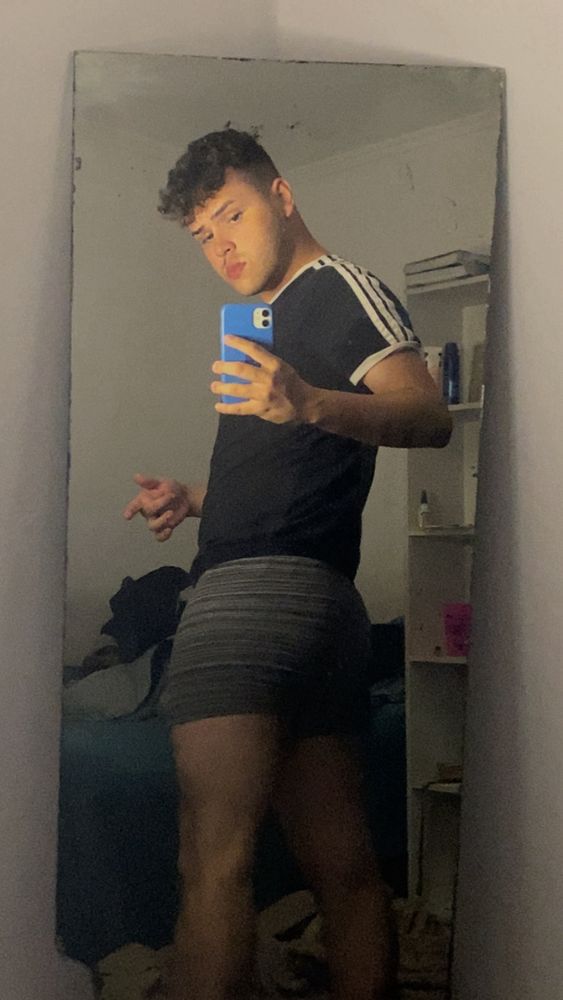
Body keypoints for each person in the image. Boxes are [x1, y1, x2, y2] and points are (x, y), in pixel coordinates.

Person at [123, 129, 452, 1000]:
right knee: (341, 863)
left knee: (212, 860)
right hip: (316, 603)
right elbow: (286, 476)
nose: (220, 245)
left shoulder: (338, 287)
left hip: (252, 598)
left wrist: (306, 401)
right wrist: (194, 498)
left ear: (282, 196)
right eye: (202, 234)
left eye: (231, 215)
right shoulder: (270, 323)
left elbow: (428, 416)